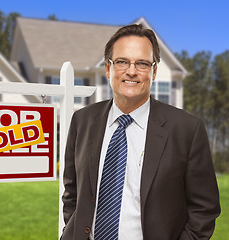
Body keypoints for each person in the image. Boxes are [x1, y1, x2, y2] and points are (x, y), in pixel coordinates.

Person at [61, 24, 220, 240]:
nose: (131, 71)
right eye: (122, 62)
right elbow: (72, 194)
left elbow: (204, 209)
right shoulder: (83, 120)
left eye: (142, 63)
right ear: (108, 68)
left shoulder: (187, 129)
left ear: (154, 72)